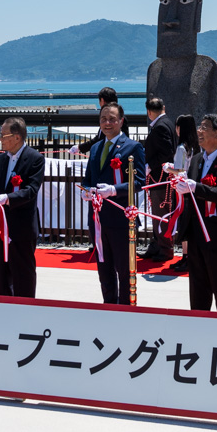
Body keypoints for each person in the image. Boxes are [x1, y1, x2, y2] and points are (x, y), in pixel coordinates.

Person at [172, 114, 217, 312]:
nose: (199, 132)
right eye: (199, 127)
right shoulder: (195, 160)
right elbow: (191, 196)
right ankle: (200, 330)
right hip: (196, 236)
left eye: (204, 128)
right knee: (198, 290)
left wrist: (194, 187)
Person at [81, 103, 146, 304]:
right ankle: (108, 306)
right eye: (103, 119)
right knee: (104, 268)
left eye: (112, 119)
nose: (107, 123)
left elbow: (140, 182)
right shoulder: (95, 148)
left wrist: (114, 190)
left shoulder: (133, 147)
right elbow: (88, 179)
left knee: (124, 270)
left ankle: (126, 309)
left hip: (121, 219)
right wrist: (86, 191)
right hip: (98, 219)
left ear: (121, 121)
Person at [0, 117, 45, 298]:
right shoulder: (1, 159)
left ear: (17, 137)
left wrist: (7, 198)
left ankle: (25, 310)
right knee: (1, 275)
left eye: (4, 135)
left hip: (22, 226)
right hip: (0, 226)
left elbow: (31, 190)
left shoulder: (35, 159)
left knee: (23, 274)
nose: (1, 139)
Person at [141, 96, 177, 262]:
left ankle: (165, 248)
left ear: (149, 112)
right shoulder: (168, 123)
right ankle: (157, 245)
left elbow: (166, 152)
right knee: (158, 213)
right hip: (160, 176)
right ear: (164, 107)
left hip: (160, 177)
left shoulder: (161, 127)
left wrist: (150, 165)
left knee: (160, 213)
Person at [168, 113, 199, 273]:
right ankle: (188, 257)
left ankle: (186, 256)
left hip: (181, 189)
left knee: (183, 223)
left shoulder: (181, 148)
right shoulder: (195, 146)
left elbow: (179, 170)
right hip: (192, 188)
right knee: (189, 223)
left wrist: (167, 168)